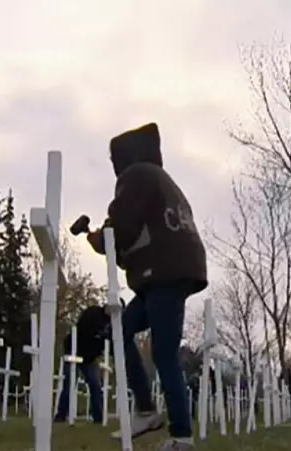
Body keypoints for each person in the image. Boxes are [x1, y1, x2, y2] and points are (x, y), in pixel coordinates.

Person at [86, 122, 208, 451]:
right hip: (166, 273)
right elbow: (141, 229)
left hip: (164, 274)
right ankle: (145, 409)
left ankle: (182, 435)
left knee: (164, 353)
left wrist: (100, 238)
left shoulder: (136, 175)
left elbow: (122, 228)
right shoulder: (160, 179)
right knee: (119, 330)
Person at [54, 304, 112, 424]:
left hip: (89, 358)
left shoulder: (113, 325)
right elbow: (83, 327)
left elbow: (109, 344)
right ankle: (61, 415)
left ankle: (98, 417)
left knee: (95, 385)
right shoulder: (94, 312)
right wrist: (99, 333)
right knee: (69, 383)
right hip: (73, 350)